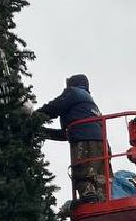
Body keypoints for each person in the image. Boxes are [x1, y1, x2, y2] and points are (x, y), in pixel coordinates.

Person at [37, 73, 107, 206]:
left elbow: (54, 108)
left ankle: (89, 198)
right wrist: (43, 133)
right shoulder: (91, 106)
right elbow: (67, 134)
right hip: (102, 146)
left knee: (83, 172)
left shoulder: (75, 93)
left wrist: (34, 118)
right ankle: (100, 203)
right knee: (100, 178)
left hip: (85, 142)